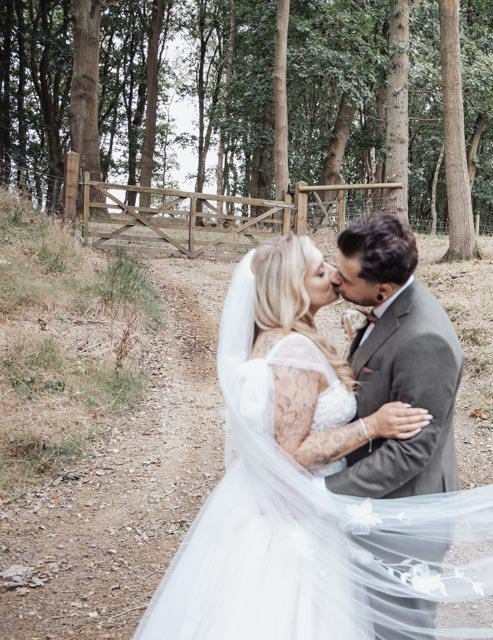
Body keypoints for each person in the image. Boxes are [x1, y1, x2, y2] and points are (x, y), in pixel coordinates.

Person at [134, 234, 493, 640]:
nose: (334, 277)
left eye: (333, 268)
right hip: (301, 512)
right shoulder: (293, 350)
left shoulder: (290, 339)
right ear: (292, 288)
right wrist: (371, 426)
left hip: (325, 507)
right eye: (320, 270)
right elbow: (290, 451)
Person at [325, 215, 464, 639]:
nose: (335, 280)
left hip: (406, 516)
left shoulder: (426, 340)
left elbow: (411, 451)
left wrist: (327, 495)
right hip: (376, 506)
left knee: (402, 630)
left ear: (382, 289)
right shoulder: (390, 306)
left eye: (346, 278)